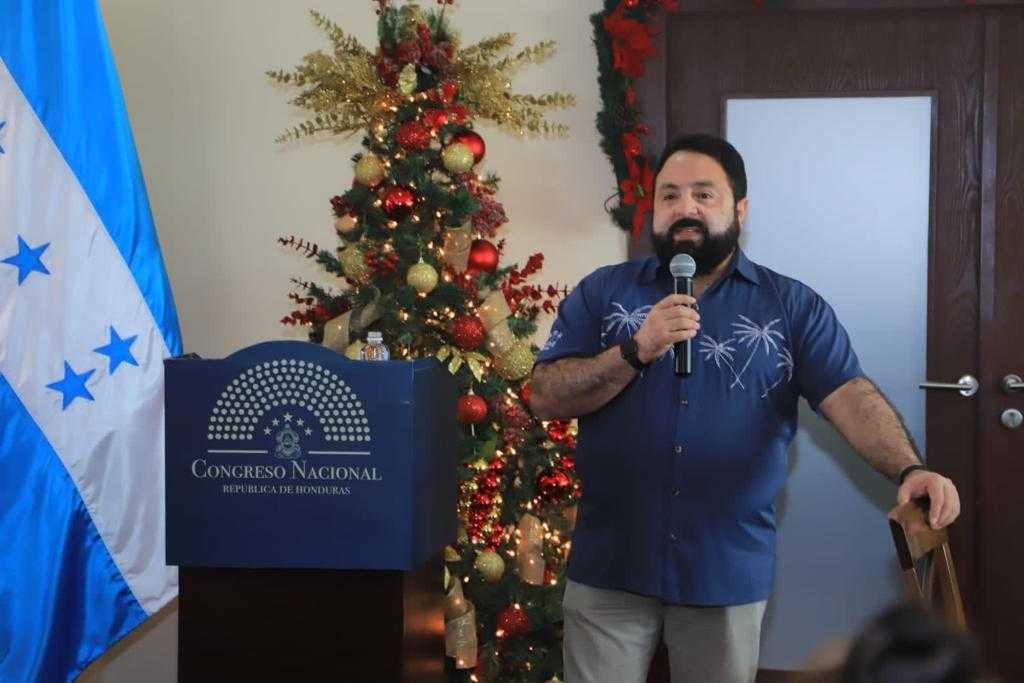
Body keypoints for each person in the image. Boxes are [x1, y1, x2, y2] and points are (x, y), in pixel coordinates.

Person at [528, 134, 962, 683]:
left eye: (704, 194)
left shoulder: (790, 305)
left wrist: (910, 467)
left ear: (740, 209)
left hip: (724, 570)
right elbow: (544, 394)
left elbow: (850, 395)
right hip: (610, 564)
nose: (685, 208)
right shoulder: (604, 293)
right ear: (654, 211)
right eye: (669, 195)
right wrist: (634, 351)